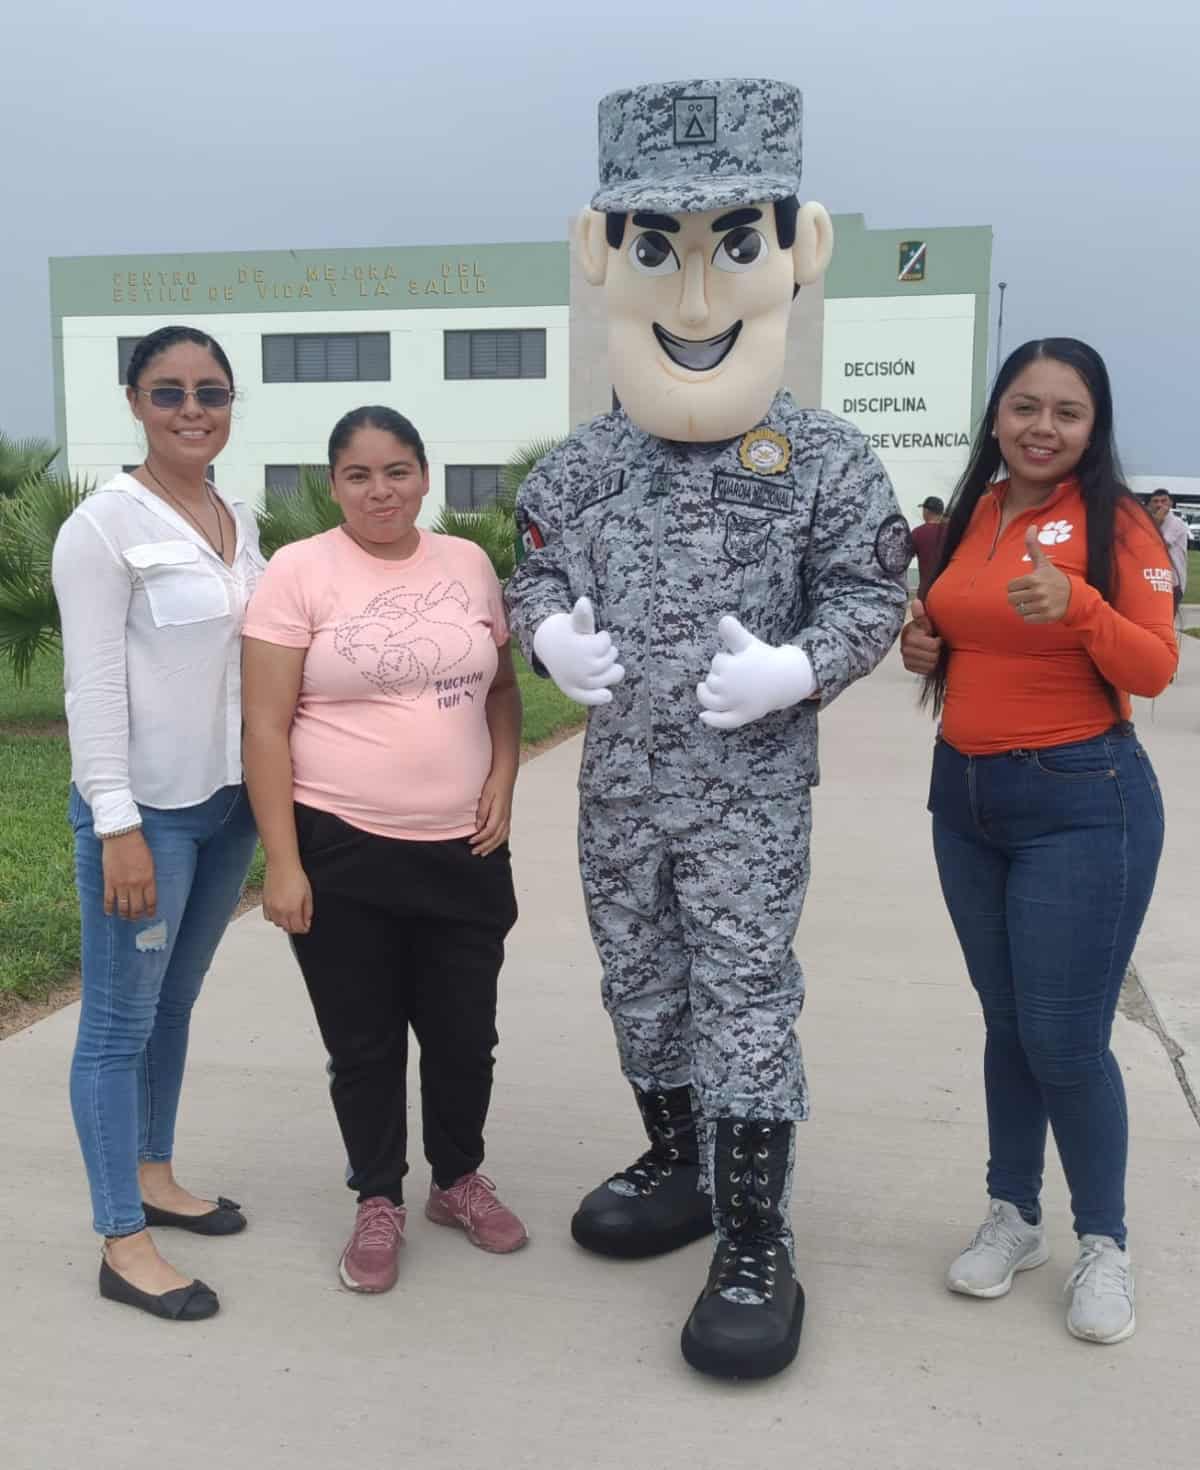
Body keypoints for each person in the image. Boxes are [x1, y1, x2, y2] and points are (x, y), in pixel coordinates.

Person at [505, 78, 907, 1380]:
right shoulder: (580, 464)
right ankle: (679, 1160)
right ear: (601, 253)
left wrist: (803, 667)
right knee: (637, 983)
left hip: (744, 797)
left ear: (798, 249)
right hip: (621, 790)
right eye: (656, 247)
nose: (692, 293)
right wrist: (548, 633)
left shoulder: (827, 458)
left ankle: (754, 1237)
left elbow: (872, 587)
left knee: (740, 999)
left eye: (733, 242)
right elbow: (531, 570)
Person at [900, 338, 1176, 1345]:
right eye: (1025, 406)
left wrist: (1084, 604)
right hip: (966, 799)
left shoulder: (1124, 523)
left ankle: (1103, 1242)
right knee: (1007, 1026)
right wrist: (924, 640)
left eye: (1066, 411)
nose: (1042, 427)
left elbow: (1152, 668)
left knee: (1066, 1039)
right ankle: (1013, 1215)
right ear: (997, 414)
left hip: (1082, 800)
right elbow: (958, 627)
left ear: (1093, 426)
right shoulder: (973, 514)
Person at [241, 405, 527, 1296]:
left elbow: (504, 691)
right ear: (333, 484)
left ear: (425, 475)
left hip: (464, 849)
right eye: (359, 475)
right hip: (342, 846)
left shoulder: (469, 564)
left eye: (397, 470)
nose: (380, 491)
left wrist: (505, 778)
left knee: (463, 1038)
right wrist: (283, 863)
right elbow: (263, 725)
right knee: (364, 1045)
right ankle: (377, 1199)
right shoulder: (299, 572)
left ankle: (456, 1180)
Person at [52, 325, 263, 1322]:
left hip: (226, 809)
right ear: (134, 400)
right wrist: (115, 824)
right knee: (116, 1026)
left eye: (210, 391)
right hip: (146, 820)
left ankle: (154, 1175)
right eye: (170, 391)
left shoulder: (231, 512)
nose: (193, 409)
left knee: (172, 1005)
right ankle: (120, 1239)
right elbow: (91, 686)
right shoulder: (103, 527)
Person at [1146, 488, 1188, 609]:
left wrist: (1156, 521)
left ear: (1170, 504)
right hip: (1155, 581)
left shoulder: (1176, 523)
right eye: (1155, 501)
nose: (1159, 504)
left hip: (1174, 583)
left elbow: (1159, 546)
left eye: (1164, 501)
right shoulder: (1148, 522)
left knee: (1166, 621)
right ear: (1149, 505)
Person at [911, 495, 948, 599]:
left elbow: (904, 560)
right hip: (949, 589)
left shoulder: (918, 533)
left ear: (926, 511)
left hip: (926, 592)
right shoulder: (952, 532)